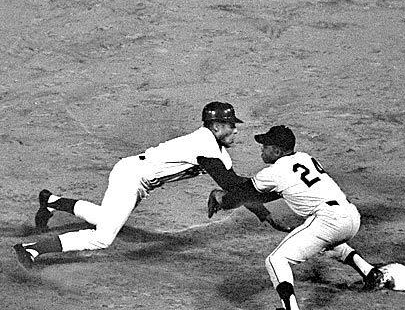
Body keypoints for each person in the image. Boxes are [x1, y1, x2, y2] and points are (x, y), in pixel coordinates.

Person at [13, 101, 286, 269]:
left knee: (104, 218)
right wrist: (273, 192)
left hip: (137, 179)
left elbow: (236, 186)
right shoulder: (204, 143)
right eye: (231, 125)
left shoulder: (218, 150)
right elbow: (230, 184)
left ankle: (51, 201)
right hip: (131, 176)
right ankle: (33, 249)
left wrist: (262, 212)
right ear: (215, 126)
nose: (236, 131)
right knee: (103, 237)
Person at [208, 125, 389, 310]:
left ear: (277, 151)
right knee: (325, 243)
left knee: (276, 260)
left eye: (265, 146)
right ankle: (371, 273)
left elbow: (241, 196)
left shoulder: (274, 171)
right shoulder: (305, 158)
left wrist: (220, 197)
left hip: (328, 219)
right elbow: (271, 193)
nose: (261, 149)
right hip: (351, 216)